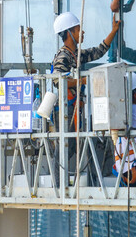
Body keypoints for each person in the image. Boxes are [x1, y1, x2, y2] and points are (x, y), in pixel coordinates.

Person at [51, 12, 121, 182]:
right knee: (66, 147)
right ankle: (57, 183)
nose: (82, 32)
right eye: (78, 29)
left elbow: (99, 51)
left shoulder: (77, 54)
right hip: (67, 109)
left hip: (77, 109)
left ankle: (89, 179)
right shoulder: (63, 56)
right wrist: (83, 80)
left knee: (80, 144)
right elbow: (58, 81)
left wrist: (113, 31)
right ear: (69, 33)